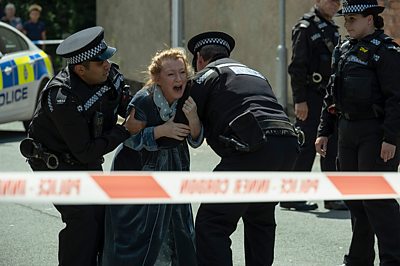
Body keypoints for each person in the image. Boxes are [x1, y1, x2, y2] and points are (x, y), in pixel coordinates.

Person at [20, 26, 143, 266]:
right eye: (100, 62)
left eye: (107, 57)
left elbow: (129, 106)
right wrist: (125, 130)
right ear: (80, 69)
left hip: (85, 159)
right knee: (83, 220)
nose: (107, 64)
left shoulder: (110, 76)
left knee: (103, 217)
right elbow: (84, 150)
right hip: (55, 164)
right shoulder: (61, 96)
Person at [187, 31, 299, 266]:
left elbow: (181, 113)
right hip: (287, 145)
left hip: (252, 149)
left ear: (199, 58)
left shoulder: (207, 75)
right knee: (260, 219)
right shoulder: (255, 73)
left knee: (212, 224)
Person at [315, 0, 400, 265]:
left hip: (375, 133)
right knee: (355, 199)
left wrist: (390, 138)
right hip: (347, 131)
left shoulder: (387, 52)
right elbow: (332, 94)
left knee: (377, 200)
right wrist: (323, 131)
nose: (347, 25)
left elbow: (396, 99)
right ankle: (360, 257)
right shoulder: (343, 50)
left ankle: (393, 258)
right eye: (345, 21)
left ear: (370, 19)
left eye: (352, 20)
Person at [102, 48, 202, 266]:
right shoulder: (143, 101)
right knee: (138, 237)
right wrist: (161, 131)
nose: (179, 79)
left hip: (174, 171)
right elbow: (128, 137)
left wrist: (193, 118)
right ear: (157, 78)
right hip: (139, 173)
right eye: (171, 74)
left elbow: (196, 139)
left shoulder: (189, 98)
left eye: (182, 72)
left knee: (179, 235)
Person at [284, 0, 347, 211]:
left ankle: (331, 196)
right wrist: (300, 100)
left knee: (331, 145)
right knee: (305, 145)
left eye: (337, 2)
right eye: (329, 1)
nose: (334, 5)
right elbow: (297, 67)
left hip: (328, 98)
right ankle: (291, 195)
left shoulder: (332, 28)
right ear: (318, 1)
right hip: (310, 97)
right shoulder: (306, 28)